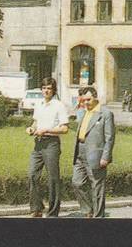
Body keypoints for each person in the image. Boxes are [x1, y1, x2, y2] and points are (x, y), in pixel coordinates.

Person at [26, 77, 69, 218]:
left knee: (53, 178)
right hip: (38, 143)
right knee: (32, 174)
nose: (46, 91)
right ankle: (37, 208)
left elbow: (64, 129)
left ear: (53, 90)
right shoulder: (39, 104)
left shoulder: (59, 105)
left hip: (51, 144)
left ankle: (53, 212)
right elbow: (35, 123)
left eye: (49, 88)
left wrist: (46, 130)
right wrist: (31, 129)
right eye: (44, 88)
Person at [72, 86, 116, 218]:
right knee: (77, 182)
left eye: (89, 99)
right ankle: (88, 210)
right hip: (80, 151)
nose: (86, 102)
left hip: (96, 154)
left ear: (96, 97)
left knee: (97, 186)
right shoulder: (84, 112)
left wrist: (105, 157)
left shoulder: (105, 114)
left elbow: (110, 137)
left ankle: (98, 217)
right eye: (84, 100)